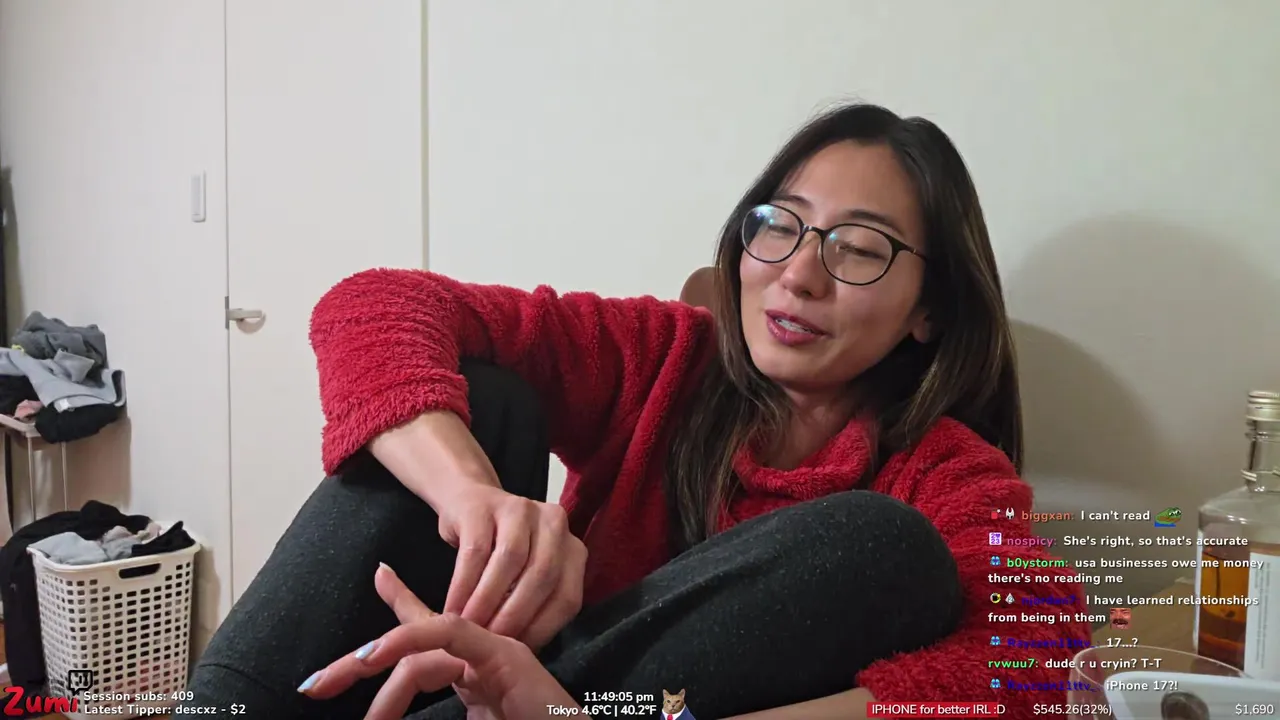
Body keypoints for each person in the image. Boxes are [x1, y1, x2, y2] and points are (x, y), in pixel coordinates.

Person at [182, 103, 1090, 719]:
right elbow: (375, 305)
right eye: (779, 224)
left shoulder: (947, 471)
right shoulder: (665, 356)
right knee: (482, 399)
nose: (798, 274)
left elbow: (1041, 658)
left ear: (931, 310)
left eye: (859, 248)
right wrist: (472, 498)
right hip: (441, 687)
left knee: (881, 545)